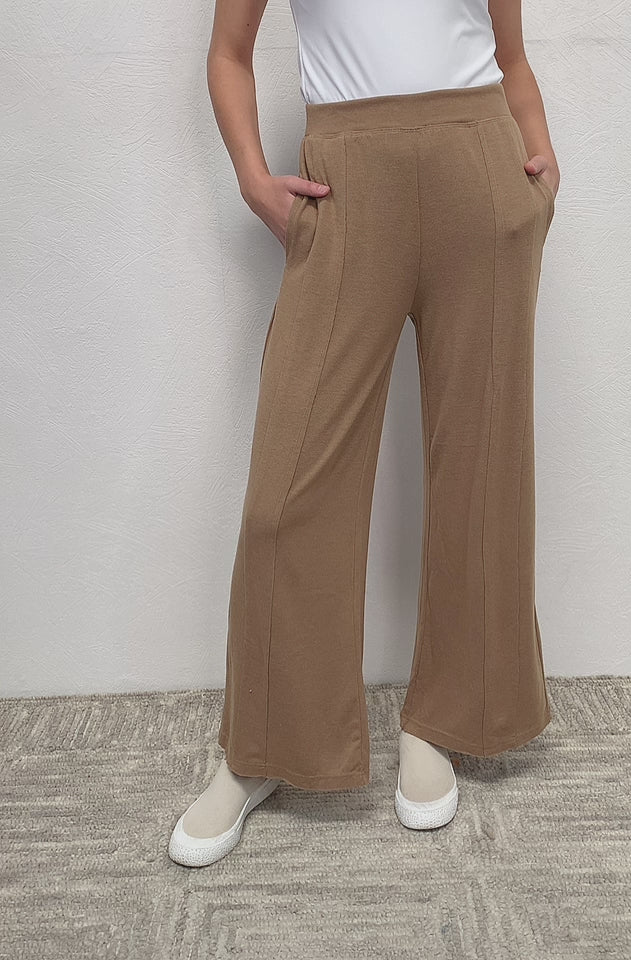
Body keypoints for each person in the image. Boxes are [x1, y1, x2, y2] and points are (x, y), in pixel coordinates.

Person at [169, 0, 559, 867]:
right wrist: (252, 177)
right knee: (288, 486)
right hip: (346, 182)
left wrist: (541, 167)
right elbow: (229, 52)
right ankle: (264, 747)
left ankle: (445, 719)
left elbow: (511, 57)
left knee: (482, 464)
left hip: (483, 172)